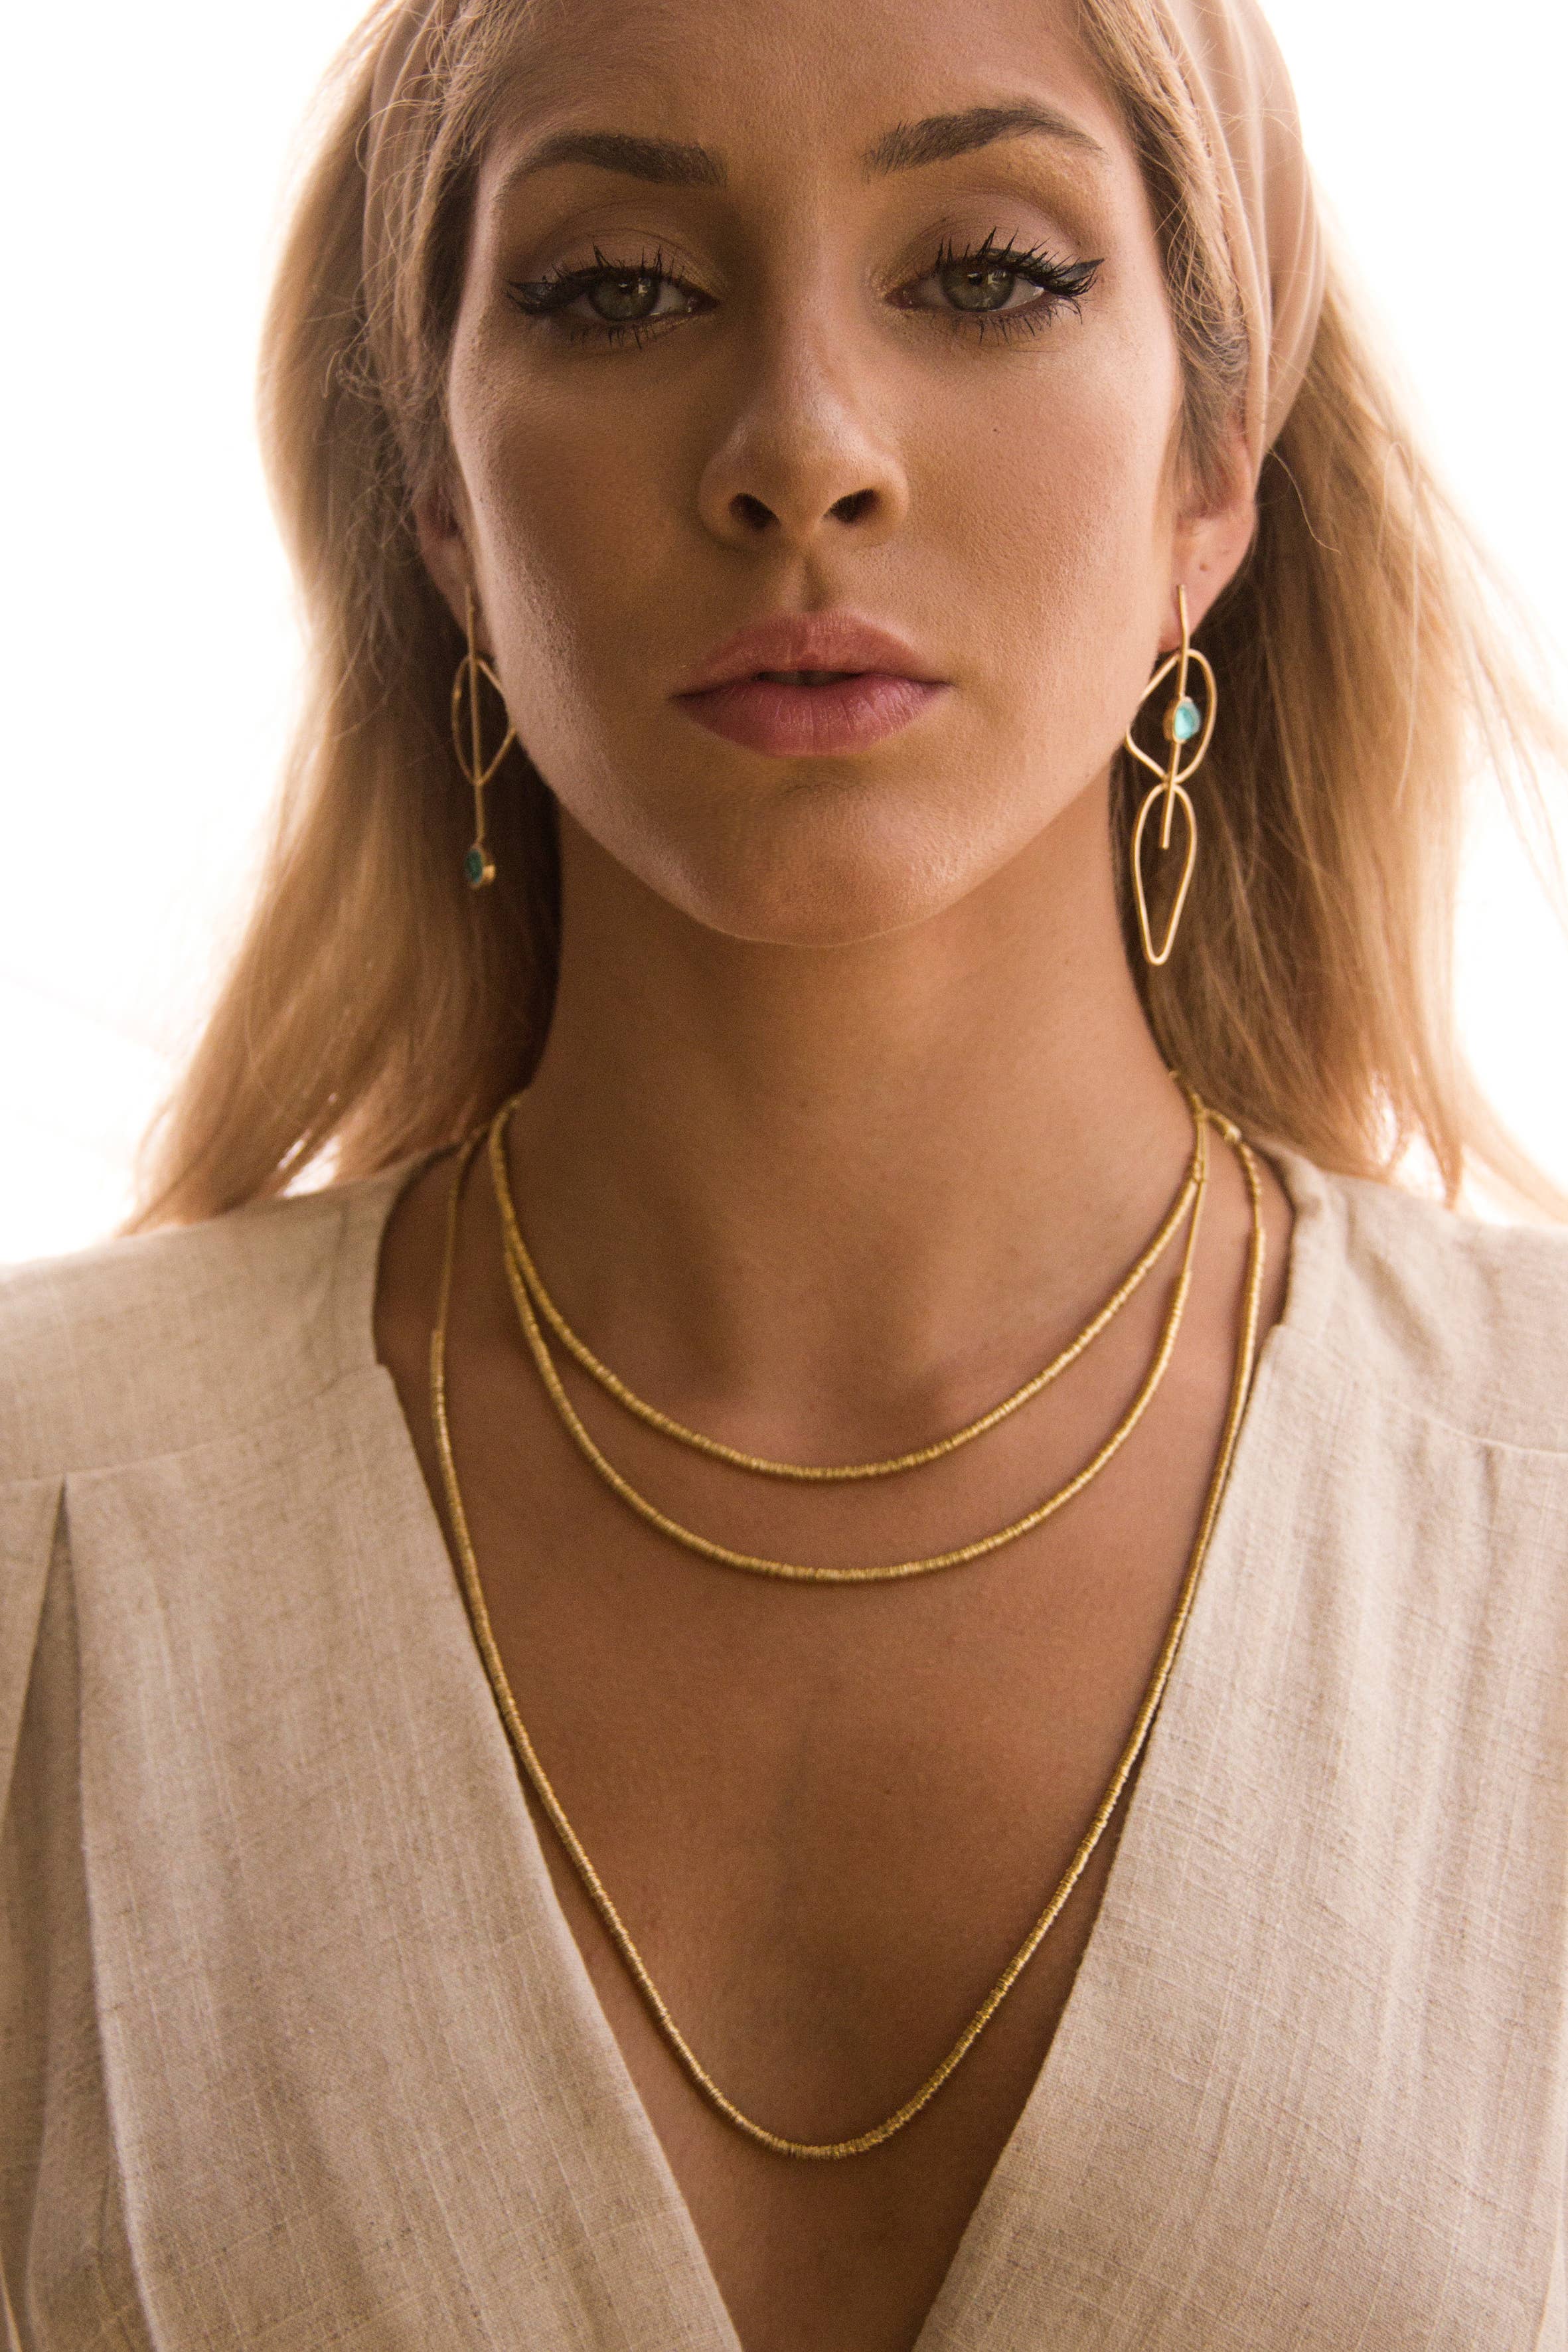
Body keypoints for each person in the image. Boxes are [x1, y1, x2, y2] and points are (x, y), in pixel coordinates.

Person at [3, 0, 1565, 2341]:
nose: (804, 451)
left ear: (1211, 464)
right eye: (618, 289)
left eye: (988, 274)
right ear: (442, 497)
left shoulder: (1532, 1507)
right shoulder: (48, 1522)